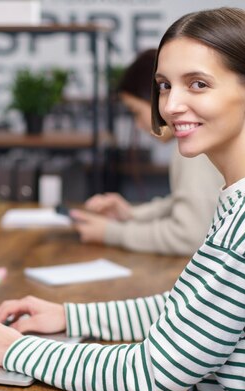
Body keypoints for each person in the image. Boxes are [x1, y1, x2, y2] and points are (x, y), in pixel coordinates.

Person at [0, 7, 245, 391]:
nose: (171, 105)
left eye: (198, 84)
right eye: (165, 86)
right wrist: (68, 316)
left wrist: (15, 350)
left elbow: (153, 376)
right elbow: (190, 310)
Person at [71, 49, 222, 256]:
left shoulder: (195, 150)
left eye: (135, 112)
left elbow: (189, 235)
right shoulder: (204, 141)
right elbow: (190, 203)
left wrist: (111, 232)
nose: (139, 124)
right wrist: (132, 215)